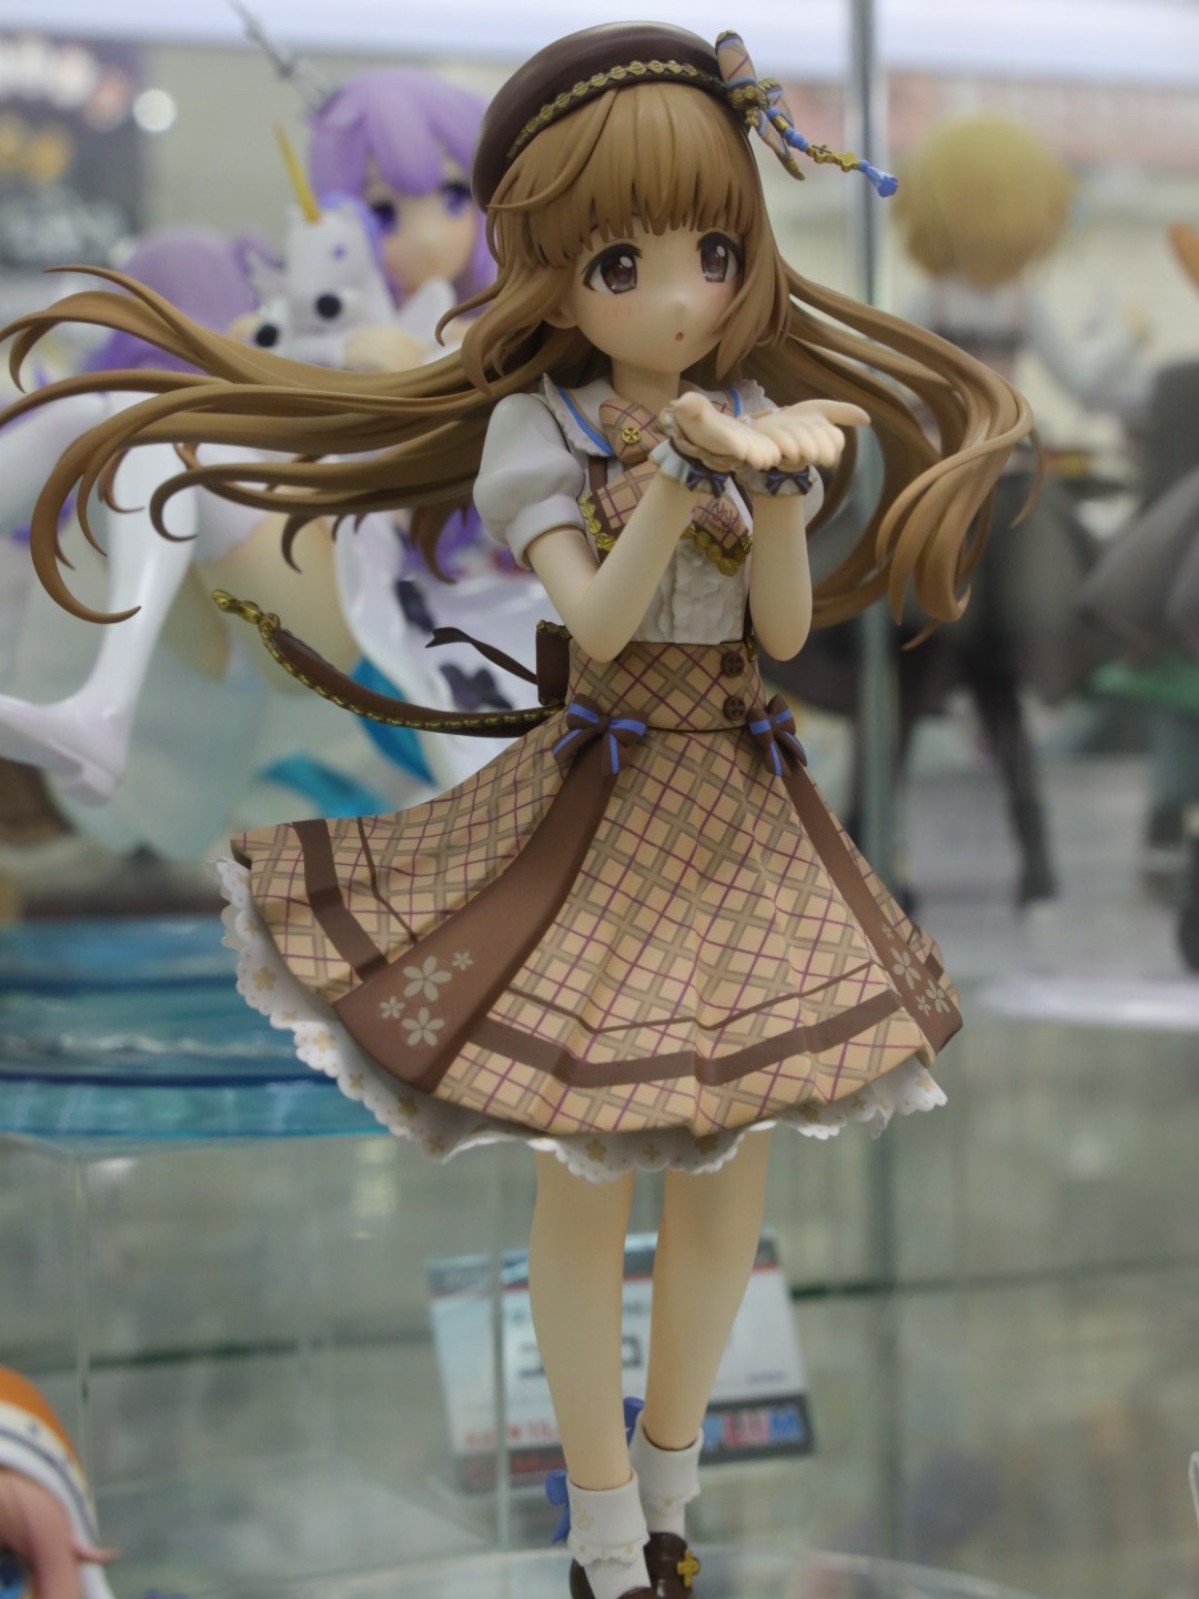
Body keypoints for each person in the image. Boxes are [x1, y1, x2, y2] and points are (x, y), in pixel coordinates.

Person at [2, 25, 1031, 1599]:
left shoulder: (758, 408)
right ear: (554, 275)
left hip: (742, 807)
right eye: (625, 264)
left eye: (713, 253)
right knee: (587, 1171)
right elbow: (600, 627)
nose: (680, 297)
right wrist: (677, 487)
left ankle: (672, 1497)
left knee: (734, 1174)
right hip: (603, 808)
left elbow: (776, 632)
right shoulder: (538, 433)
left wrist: (777, 510)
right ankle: (597, 1521)